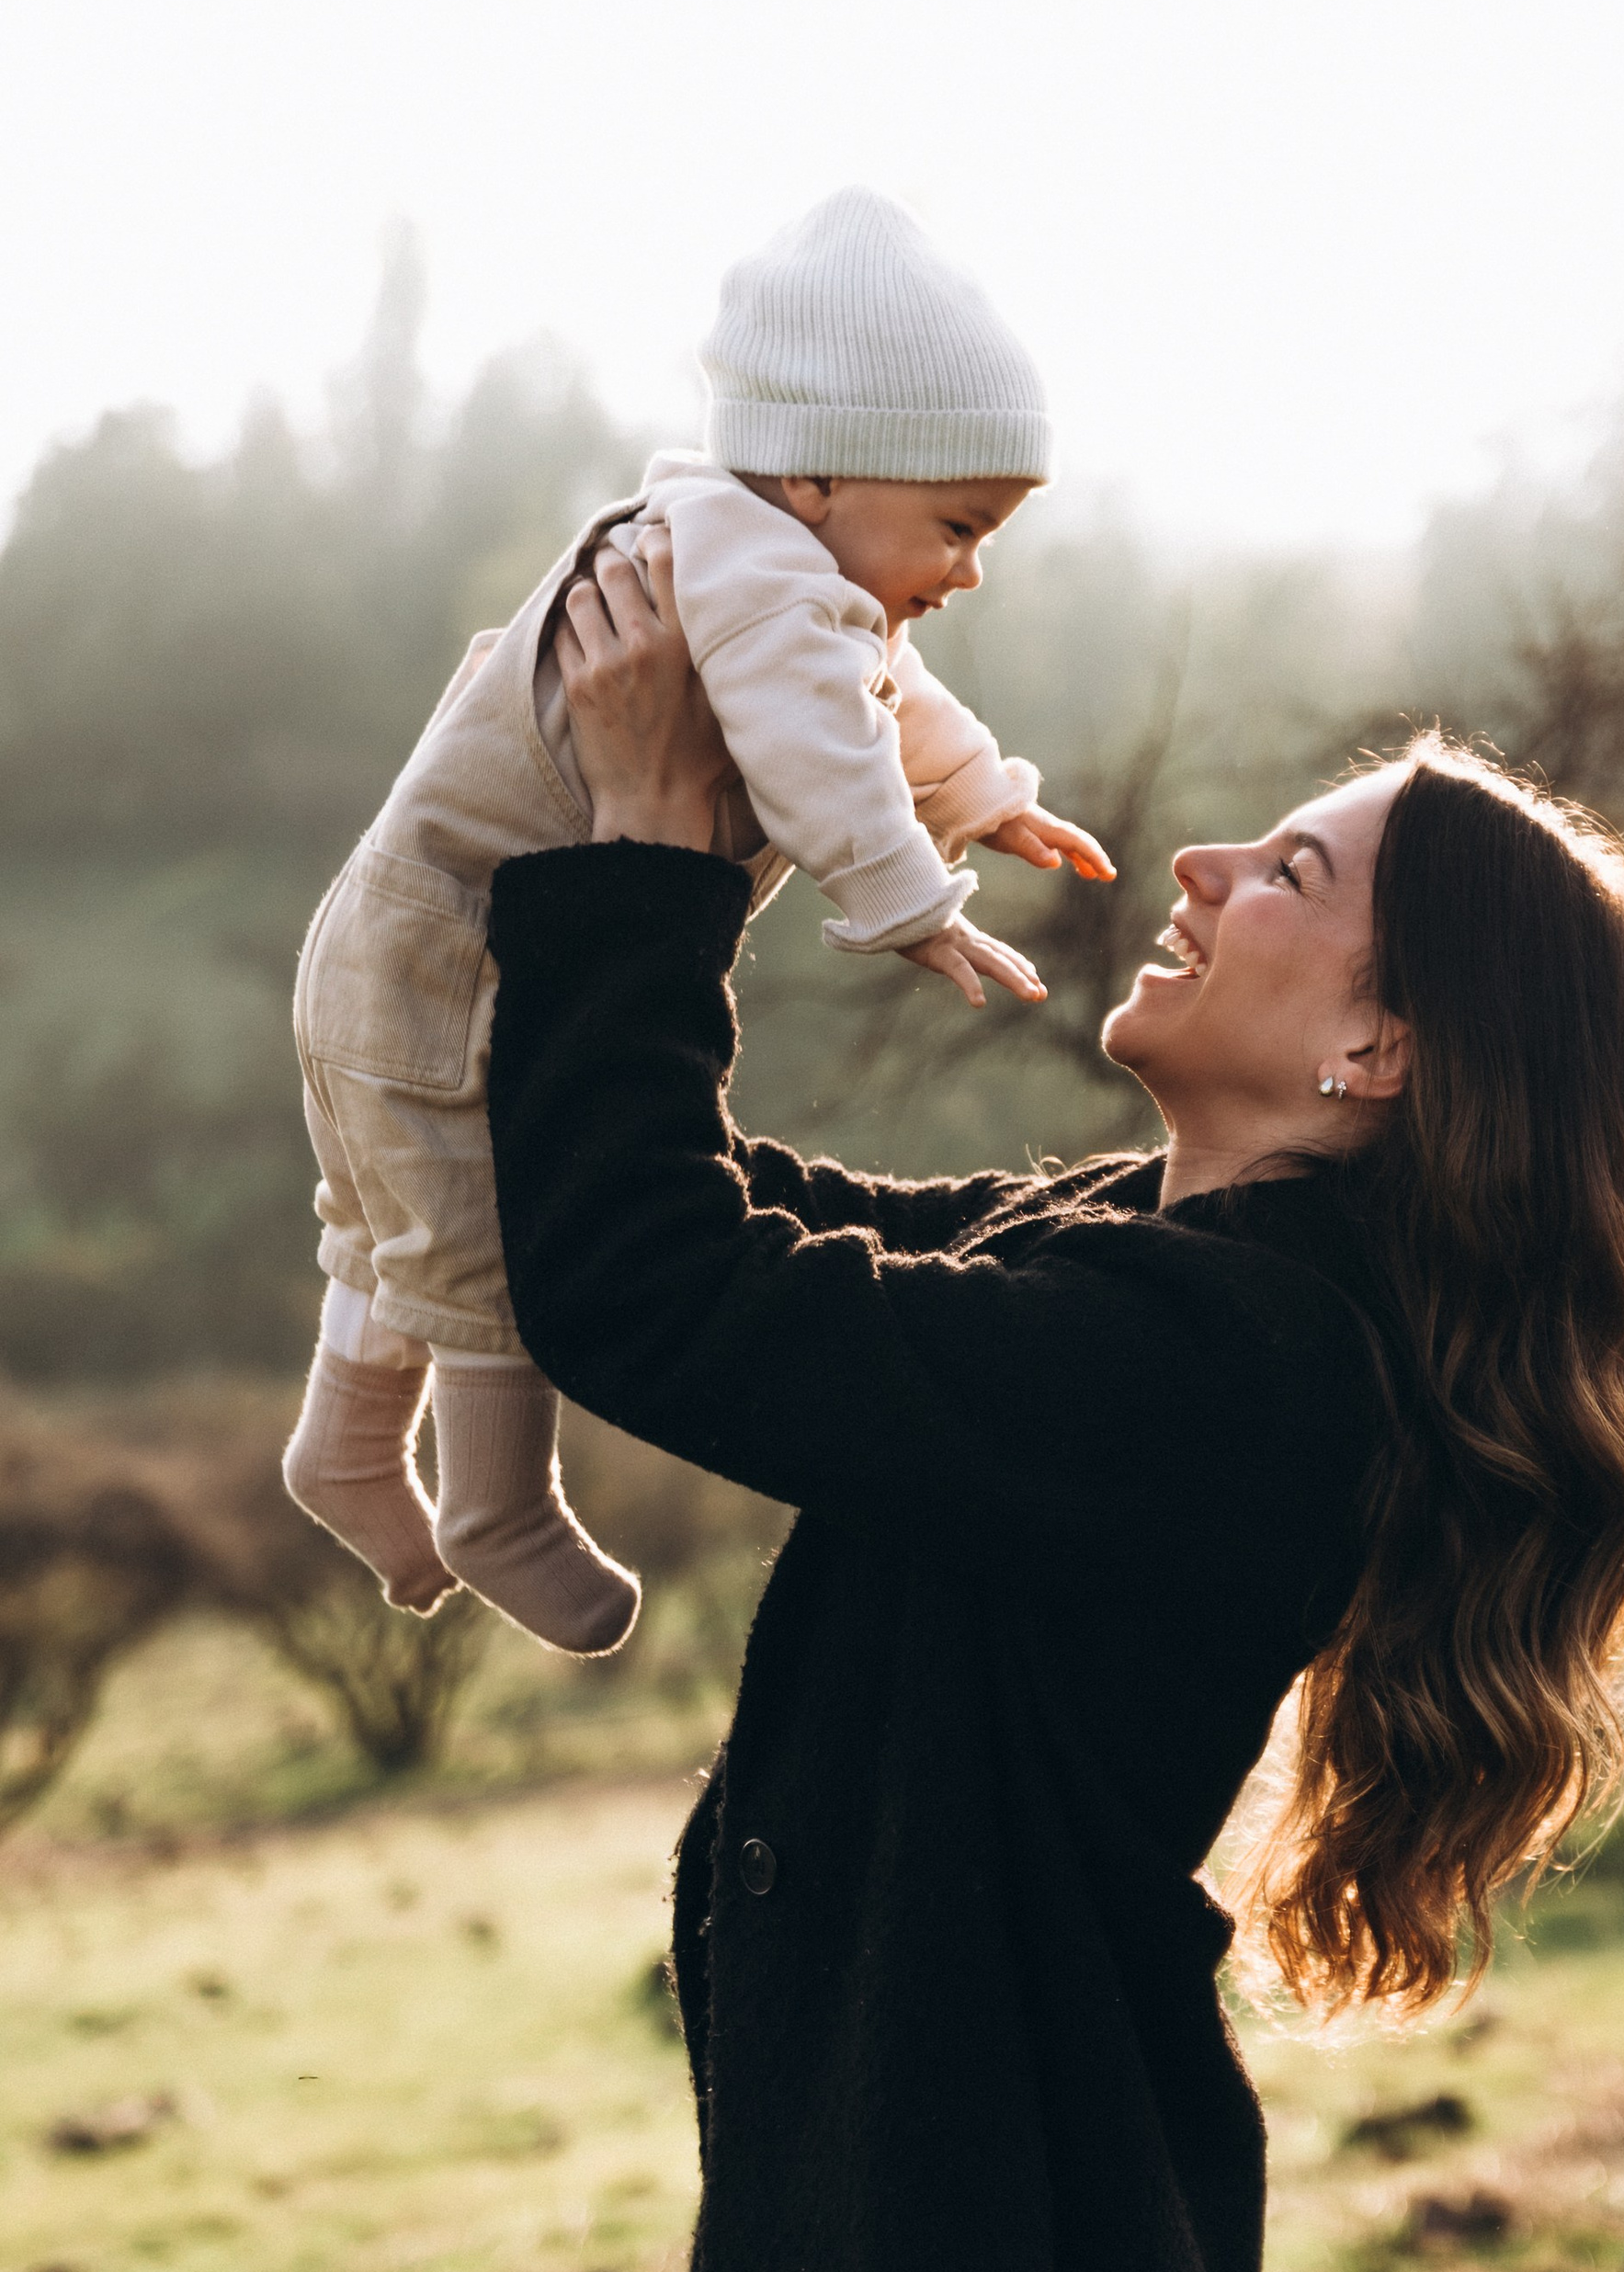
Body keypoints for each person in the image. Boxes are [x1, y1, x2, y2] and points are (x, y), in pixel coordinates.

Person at [481, 538, 1624, 2272]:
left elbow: (658, 1293)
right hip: (961, 2224)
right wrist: (724, 802)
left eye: (1288, 873)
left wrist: (634, 856)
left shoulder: (1239, 1363)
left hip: (982, 2260)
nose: (1199, 869)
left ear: (1385, 1052)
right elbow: (745, 1236)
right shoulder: (1140, 1270)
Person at [282, 189, 1107, 1657]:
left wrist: (984, 793)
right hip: (447, 961)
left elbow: (880, 698)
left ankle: (346, 1443)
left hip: (402, 941)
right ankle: (493, 1504)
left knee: (391, 1201)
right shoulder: (764, 581)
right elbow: (820, 750)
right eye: (959, 527)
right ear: (815, 481)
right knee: (465, 1222)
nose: (971, 571)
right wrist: (909, 897)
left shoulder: (756, 551)